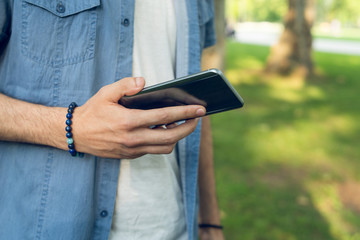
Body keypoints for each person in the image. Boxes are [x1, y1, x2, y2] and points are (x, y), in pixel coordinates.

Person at [0, 0, 224, 239]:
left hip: (174, 227)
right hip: (46, 227)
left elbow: (196, 106)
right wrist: (72, 127)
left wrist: (209, 221)